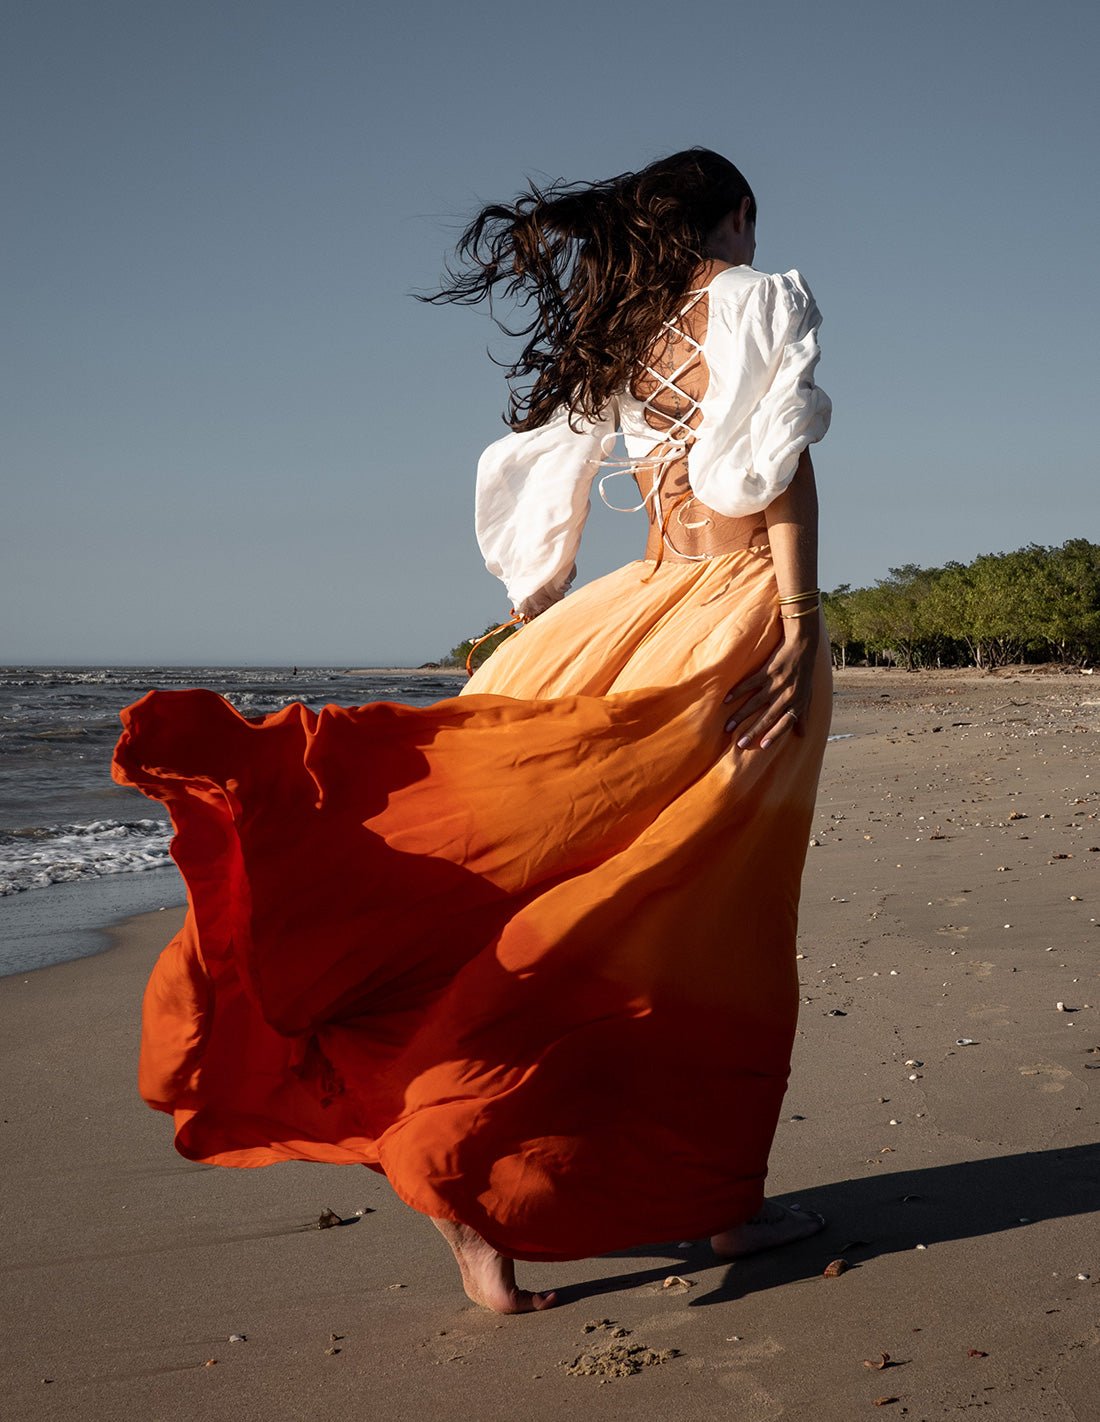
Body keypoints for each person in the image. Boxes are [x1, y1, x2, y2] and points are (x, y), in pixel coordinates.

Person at [112, 147, 832, 1317]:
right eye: (752, 222)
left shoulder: (626, 332)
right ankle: (713, 1205)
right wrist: (798, 624)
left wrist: (536, 598)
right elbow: (777, 472)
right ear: (734, 216)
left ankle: (470, 1220)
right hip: (730, 620)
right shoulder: (756, 298)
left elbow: (546, 481)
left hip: (631, 603)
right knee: (709, 921)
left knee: (507, 894)